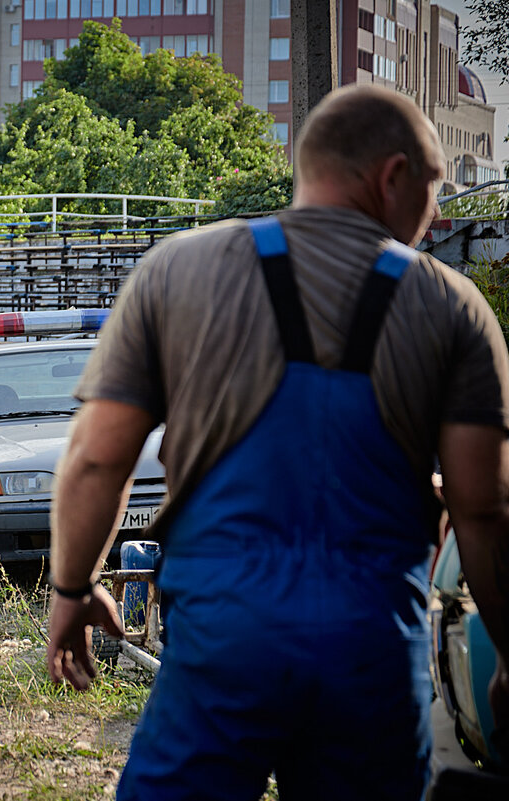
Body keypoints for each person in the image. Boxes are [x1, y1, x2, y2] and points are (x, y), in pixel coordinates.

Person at [44, 84, 509, 800]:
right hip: (372, 647)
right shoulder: (451, 307)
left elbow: (97, 456)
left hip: (224, 637)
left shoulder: (177, 270)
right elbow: (483, 512)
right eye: (434, 187)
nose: (438, 214)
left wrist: (73, 588)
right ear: (391, 176)